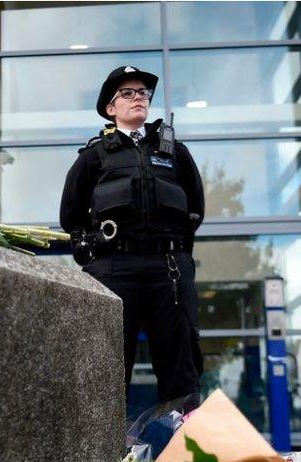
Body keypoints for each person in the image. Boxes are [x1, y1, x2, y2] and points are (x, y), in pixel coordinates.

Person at [60, 65, 205, 404]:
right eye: (128, 93)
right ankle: (107, 455)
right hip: (114, 269)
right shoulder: (94, 157)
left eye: (143, 93)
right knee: (106, 364)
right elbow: (71, 216)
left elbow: (195, 209)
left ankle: (181, 452)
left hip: (168, 269)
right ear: (110, 107)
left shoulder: (175, 153)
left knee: (181, 364)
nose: (138, 97)